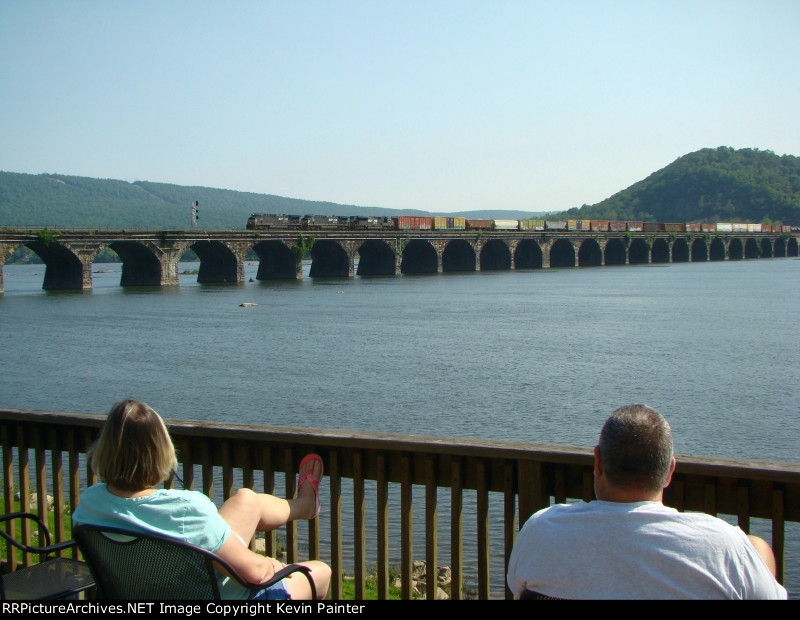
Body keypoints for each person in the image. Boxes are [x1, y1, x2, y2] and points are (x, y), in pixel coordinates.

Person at [506, 404, 787, 600]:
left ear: (599, 462)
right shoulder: (722, 546)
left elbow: (518, 587)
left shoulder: (540, 530)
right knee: (758, 548)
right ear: (669, 471)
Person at [72, 399, 331, 600]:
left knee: (247, 499)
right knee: (320, 572)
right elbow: (255, 574)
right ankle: (303, 509)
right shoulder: (185, 510)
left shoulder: (90, 503)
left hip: (159, 590)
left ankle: (305, 504)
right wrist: (272, 565)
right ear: (162, 451)